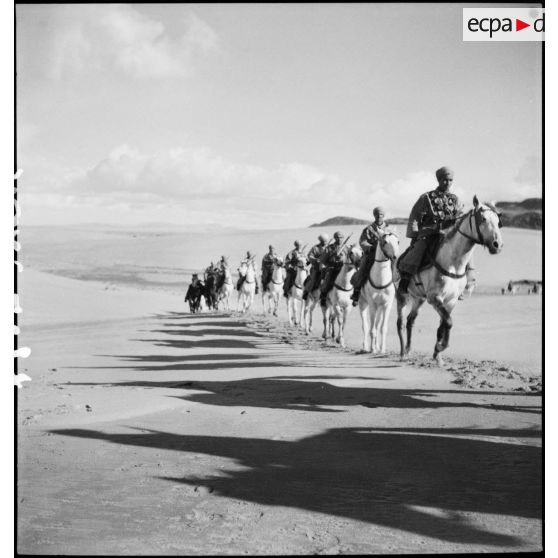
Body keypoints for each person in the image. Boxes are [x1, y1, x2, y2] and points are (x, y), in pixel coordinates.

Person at [398, 166, 475, 294]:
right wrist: (415, 235)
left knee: (465, 249)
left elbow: (460, 217)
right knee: (419, 248)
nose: (448, 183)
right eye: (445, 180)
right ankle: (405, 279)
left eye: (450, 180)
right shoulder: (427, 198)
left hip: (449, 234)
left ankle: (464, 283)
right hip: (430, 233)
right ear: (439, 180)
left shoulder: (455, 199)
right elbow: (415, 217)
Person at [350, 207, 389, 306]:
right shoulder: (368, 229)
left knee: (397, 268)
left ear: (383, 216)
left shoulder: (388, 228)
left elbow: (394, 240)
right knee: (362, 270)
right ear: (374, 215)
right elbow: (362, 241)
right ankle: (356, 293)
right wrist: (371, 247)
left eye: (381, 214)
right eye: (377, 214)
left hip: (386, 254)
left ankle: (400, 291)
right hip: (371, 254)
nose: (379, 216)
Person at [319, 231, 350, 306]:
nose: (339, 239)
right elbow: (322, 260)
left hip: (344, 268)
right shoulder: (329, 248)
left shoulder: (347, 248)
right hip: (333, 268)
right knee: (327, 281)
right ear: (335, 238)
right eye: (337, 238)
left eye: (341, 238)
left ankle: (356, 295)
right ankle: (323, 297)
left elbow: (351, 258)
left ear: (343, 238)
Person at [302, 233, 330, 301]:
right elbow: (310, 256)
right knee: (313, 279)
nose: (325, 242)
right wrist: (315, 260)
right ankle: (306, 291)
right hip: (316, 268)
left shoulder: (329, 247)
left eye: (326, 241)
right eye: (323, 241)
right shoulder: (315, 248)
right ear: (320, 241)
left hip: (327, 268)